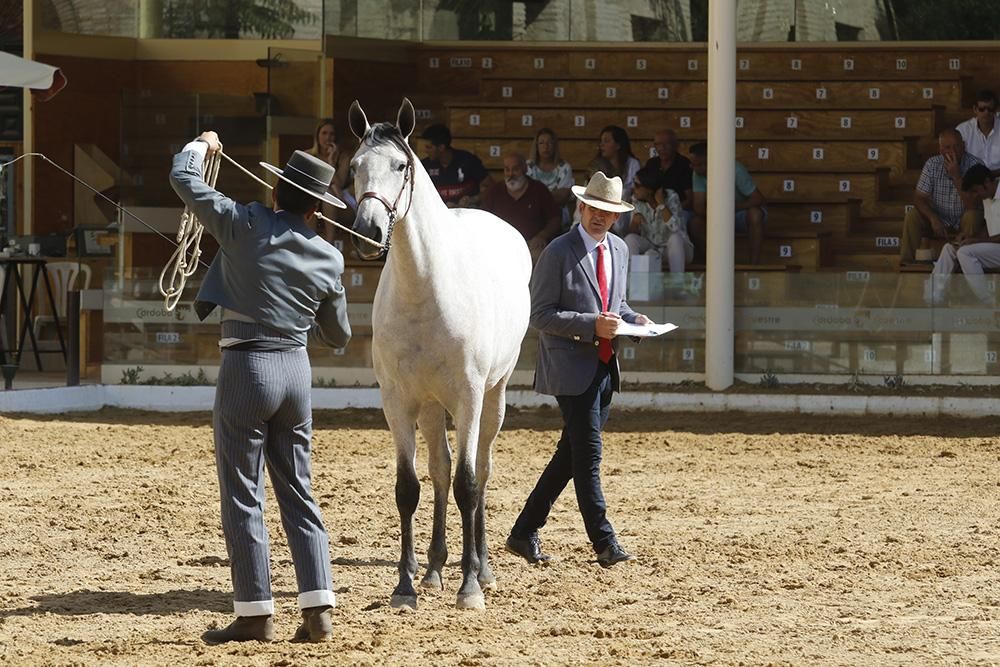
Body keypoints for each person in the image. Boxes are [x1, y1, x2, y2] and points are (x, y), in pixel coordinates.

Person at [170, 132, 352, 645]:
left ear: (276, 193)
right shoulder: (329, 258)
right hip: (295, 371)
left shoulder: (245, 221)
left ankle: (255, 612)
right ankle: (318, 607)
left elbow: (182, 178)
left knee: (243, 495)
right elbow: (338, 337)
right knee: (299, 488)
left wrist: (201, 146)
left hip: (247, 368)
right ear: (318, 208)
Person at [505, 171, 651, 568]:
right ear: (581, 207)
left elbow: (615, 305)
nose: (600, 216)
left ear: (616, 216)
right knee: (588, 457)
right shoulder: (558, 251)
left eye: (608, 211)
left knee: (568, 457)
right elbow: (540, 314)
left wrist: (632, 321)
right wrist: (591, 326)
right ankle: (605, 543)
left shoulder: (619, 250)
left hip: (605, 365)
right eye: (594, 209)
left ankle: (523, 531)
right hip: (570, 368)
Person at [900, 128, 984, 264]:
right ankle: (906, 263)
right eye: (947, 147)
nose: (953, 151)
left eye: (957, 146)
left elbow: (972, 205)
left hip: (964, 217)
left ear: (963, 146)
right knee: (912, 215)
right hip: (939, 217)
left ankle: (964, 262)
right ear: (940, 150)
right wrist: (933, 218)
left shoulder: (975, 165)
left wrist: (957, 177)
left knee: (973, 215)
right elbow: (918, 198)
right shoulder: (932, 164)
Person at [925, 164, 999, 305]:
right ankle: (932, 300)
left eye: (975, 191)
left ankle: (989, 303)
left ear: (987, 183)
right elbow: (990, 228)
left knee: (965, 253)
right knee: (949, 249)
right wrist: (968, 237)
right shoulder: (987, 198)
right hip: (994, 248)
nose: (975, 196)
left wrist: (975, 241)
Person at [688, 141, 767, 265]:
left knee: (756, 214)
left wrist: (732, 208)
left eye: (696, 164)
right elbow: (698, 207)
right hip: (716, 216)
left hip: (739, 213)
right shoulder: (697, 174)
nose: (692, 167)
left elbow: (758, 199)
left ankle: (754, 265)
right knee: (695, 223)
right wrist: (719, 215)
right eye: (692, 164)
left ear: (708, 163)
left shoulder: (735, 169)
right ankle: (714, 265)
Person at [482, 151, 561, 263]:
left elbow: (555, 219)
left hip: (531, 245)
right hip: (499, 245)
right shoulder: (494, 191)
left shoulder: (539, 190)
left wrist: (542, 236)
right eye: (507, 170)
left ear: (525, 169)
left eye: (515, 169)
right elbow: (483, 219)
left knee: (540, 257)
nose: (510, 174)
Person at [624, 166, 693, 274]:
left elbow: (675, 228)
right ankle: (631, 283)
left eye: (637, 185)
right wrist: (634, 222)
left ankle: (678, 283)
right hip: (652, 247)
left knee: (675, 239)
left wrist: (662, 205)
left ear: (649, 189)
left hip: (677, 250)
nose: (634, 188)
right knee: (630, 239)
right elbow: (632, 233)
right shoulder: (636, 200)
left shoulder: (671, 197)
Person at [420, 123, 491, 208]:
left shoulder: (467, 160)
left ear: (441, 147)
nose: (425, 151)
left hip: (467, 214)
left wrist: (473, 199)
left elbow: (490, 186)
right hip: (437, 215)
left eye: (428, 147)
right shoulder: (424, 165)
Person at [307, 118, 356, 239]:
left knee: (328, 194)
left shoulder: (343, 157)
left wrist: (330, 161)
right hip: (313, 200)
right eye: (324, 133)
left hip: (340, 201)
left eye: (331, 134)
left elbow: (339, 184)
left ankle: (330, 242)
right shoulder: (308, 155)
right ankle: (308, 241)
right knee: (313, 196)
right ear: (317, 136)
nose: (328, 137)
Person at [527, 127, 575, 229]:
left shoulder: (565, 168)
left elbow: (563, 197)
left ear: (555, 146)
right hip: (532, 216)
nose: (546, 146)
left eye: (550, 143)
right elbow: (526, 196)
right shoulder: (528, 166)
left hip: (559, 217)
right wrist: (552, 194)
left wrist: (537, 197)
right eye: (541, 143)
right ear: (536, 146)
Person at [644, 129, 693, 212]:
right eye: (658, 144)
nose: (661, 148)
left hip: (680, 210)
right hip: (654, 210)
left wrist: (668, 212)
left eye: (666, 144)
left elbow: (689, 199)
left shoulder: (684, 164)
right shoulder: (651, 164)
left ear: (676, 145)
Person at [955, 90, 1000, 176]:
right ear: (975, 109)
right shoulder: (963, 130)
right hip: (971, 179)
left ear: (995, 111)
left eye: (990, 109)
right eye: (982, 109)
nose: (986, 112)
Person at [598, 125, 641, 201]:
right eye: (601, 141)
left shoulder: (632, 164)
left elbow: (634, 191)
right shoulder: (597, 164)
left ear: (618, 145)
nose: (602, 144)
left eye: (606, 141)